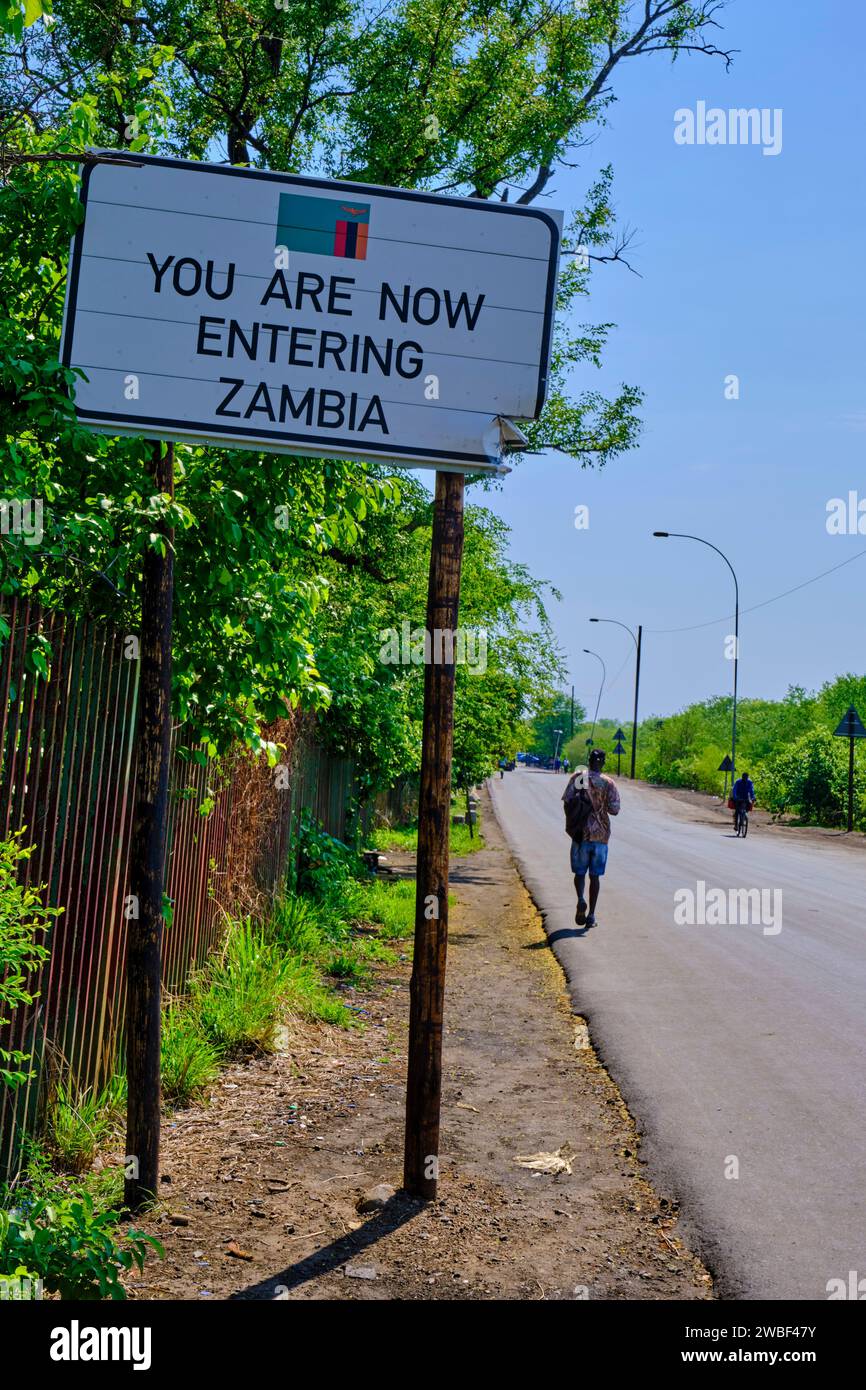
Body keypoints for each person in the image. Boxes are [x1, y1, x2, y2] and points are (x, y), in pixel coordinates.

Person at [562, 748, 620, 929]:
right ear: (603, 763)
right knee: (595, 877)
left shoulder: (579, 777)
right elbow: (615, 809)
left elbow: (567, 801)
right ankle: (592, 916)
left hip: (580, 834)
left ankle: (580, 898)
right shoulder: (608, 783)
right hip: (601, 836)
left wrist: (573, 821)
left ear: (589, 760)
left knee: (579, 873)